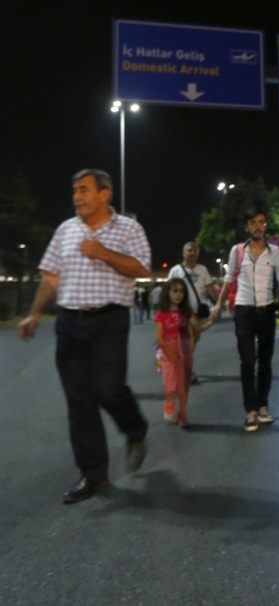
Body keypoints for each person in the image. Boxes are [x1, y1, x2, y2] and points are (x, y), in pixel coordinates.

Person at [17, 169, 150, 504]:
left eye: (84, 190)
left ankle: (135, 429)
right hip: (69, 322)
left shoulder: (128, 228)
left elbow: (142, 269)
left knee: (107, 388)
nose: (77, 197)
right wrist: (34, 312)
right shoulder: (66, 230)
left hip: (109, 320)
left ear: (104, 194)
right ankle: (93, 474)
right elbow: (51, 277)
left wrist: (104, 252)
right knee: (79, 402)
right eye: (75, 190)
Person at [211, 209, 279, 432]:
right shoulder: (238, 251)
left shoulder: (274, 252)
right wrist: (218, 304)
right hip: (244, 311)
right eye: (253, 223)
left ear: (265, 226)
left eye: (261, 222)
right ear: (247, 227)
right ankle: (251, 409)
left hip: (266, 311)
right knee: (248, 360)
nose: (258, 227)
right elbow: (229, 279)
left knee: (265, 361)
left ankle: (263, 405)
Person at [155, 278, 215, 429]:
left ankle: (182, 413)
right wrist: (168, 353)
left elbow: (198, 327)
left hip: (185, 349)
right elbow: (159, 337)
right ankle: (169, 401)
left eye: (181, 291)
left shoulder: (187, 313)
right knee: (168, 380)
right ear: (167, 293)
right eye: (175, 291)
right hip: (168, 350)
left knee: (184, 382)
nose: (178, 294)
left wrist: (210, 322)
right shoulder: (162, 313)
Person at [168, 242, 218, 384]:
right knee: (186, 343)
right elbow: (168, 291)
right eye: (189, 250)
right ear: (183, 253)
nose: (192, 253)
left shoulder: (202, 269)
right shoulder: (176, 271)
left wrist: (220, 303)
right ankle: (187, 372)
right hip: (181, 313)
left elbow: (210, 288)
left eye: (195, 251)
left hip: (197, 314)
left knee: (192, 343)